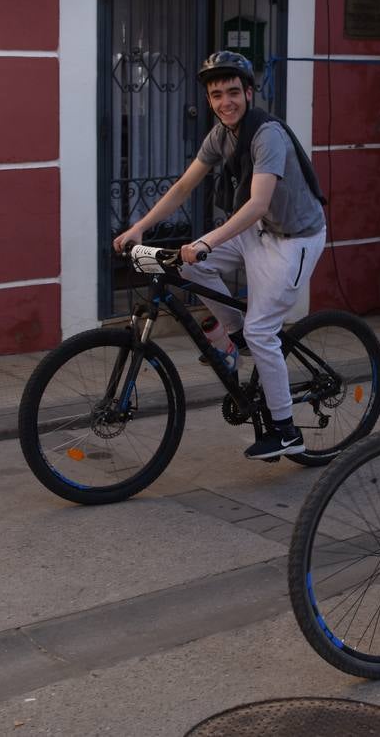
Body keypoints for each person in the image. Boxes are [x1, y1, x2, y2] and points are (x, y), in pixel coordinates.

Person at [113, 51, 327, 460]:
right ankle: (233, 336)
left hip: (294, 240)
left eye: (233, 92)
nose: (225, 101)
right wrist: (142, 226)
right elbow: (182, 188)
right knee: (185, 266)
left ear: (249, 93)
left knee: (263, 331)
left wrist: (208, 241)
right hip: (259, 231)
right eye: (216, 94)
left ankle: (285, 430)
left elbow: (258, 203)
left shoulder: (267, 135)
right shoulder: (220, 135)